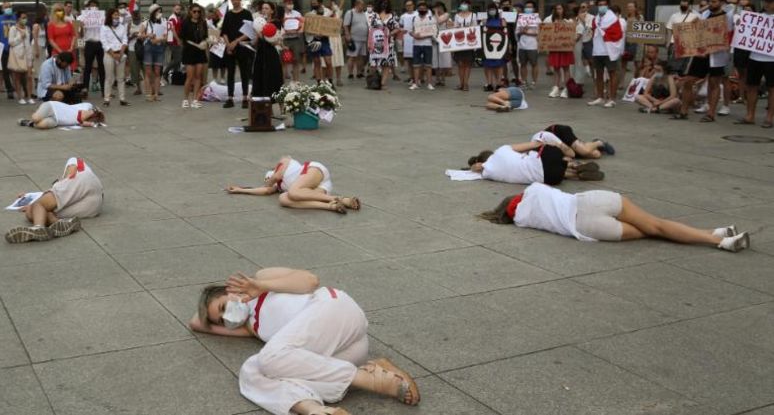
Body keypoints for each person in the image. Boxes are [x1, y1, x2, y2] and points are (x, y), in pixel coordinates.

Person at [190, 268, 420, 415]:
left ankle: (370, 380)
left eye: (223, 307)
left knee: (269, 359)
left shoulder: (261, 279)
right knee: (251, 370)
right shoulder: (251, 327)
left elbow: (310, 280)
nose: (226, 318)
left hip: (333, 309)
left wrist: (260, 286)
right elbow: (196, 323)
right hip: (347, 352)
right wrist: (216, 315)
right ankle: (315, 410)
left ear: (230, 290)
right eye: (221, 319)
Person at [479, 182, 751, 252]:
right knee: (656, 223)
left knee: (652, 230)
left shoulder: (523, 220)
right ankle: (715, 234)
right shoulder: (533, 191)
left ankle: (719, 238)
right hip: (590, 199)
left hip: (584, 226)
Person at [5, 157, 103, 243]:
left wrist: (35, 202)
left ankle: (38, 227)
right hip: (95, 205)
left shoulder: (73, 166)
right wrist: (32, 204)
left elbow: (75, 162)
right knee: (35, 212)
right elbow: (51, 198)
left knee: (37, 205)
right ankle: (59, 223)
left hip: (84, 179)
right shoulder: (67, 187)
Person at [226, 156, 360, 214]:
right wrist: (241, 190)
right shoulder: (278, 187)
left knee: (293, 192)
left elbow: (276, 177)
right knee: (283, 199)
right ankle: (331, 206)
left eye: (268, 176)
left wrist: (270, 179)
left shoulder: (284, 162)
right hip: (315, 189)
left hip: (313, 171)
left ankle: (342, 199)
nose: (269, 180)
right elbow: (266, 190)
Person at [466, 142, 604, 185]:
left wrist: (474, 166)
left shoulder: (488, 171)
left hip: (551, 179)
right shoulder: (501, 150)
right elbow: (532, 144)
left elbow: (474, 168)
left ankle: (574, 174)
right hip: (549, 158)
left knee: (539, 171)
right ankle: (574, 165)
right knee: (537, 155)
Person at [739, 0, 774, 127]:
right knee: (752, 86)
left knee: (772, 88)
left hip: (772, 59)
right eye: (765, 1)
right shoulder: (757, 18)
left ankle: (769, 117)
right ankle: (750, 115)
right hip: (755, 56)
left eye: (770, 2)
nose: (767, 4)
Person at [588, 0, 624, 108]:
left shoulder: (613, 18)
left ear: (607, 6)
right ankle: (600, 97)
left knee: (612, 73)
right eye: (600, 5)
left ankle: (612, 98)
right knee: (598, 74)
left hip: (609, 50)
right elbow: (594, 32)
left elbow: (618, 34)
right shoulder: (596, 18)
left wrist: (604, 33)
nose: (602, 6)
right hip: (598, 50)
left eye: (604, 5)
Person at [221, 0, 254, 108]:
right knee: (230, 73)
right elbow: (224, 32)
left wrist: (236, 41)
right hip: (230, 48)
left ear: (240, 0)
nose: (234, 1)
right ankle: (230, 98)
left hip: (243, 47)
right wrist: (228, 44)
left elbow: (249, 32)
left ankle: (245, 98)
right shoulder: (228, 14)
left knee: (244, 73)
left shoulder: (247, 13)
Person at [251, 2, 285, 109]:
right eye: (263, 8)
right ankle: (262, 108)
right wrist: (255, 34)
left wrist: (261, 33)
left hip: (271, 55)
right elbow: (255, 42)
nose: (264, 10)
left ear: (272, 11)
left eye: (267, 8)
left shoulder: (276, 23)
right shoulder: (259, 23)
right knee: (259, 78)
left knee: (273, 79)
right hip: (260, 54)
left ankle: (279, 107)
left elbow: (274, 41)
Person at [179, 3, 209, 108]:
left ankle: (195, 99)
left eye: (199, 11)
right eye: (194, 11)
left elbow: (205, 36)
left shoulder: (203, 23)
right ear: (190, 12)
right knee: (190, 76)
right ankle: (185, 99)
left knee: (198, 77)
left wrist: (205, 42)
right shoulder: (185, 23)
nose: (197, 13)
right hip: (189, 51)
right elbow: (182, 37)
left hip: (200, 52)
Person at [97, 8, 129, 107]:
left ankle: (122, 99)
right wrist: (113, 54)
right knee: (109, 78)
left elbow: (125, 40)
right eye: (115, 15)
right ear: (110, 15)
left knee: (121, 78)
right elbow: (104, 42)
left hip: (120, 54)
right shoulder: (104, 27)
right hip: (109, 54)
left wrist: (120, 53)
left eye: (118, 15)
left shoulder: (122, 27)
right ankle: (107, 99)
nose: (117, 17)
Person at [530, 124, 615, 159]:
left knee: (584, 151)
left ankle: (599, 142)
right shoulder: (538, 153)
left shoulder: (542, 140)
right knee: (596, 154)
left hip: (559, 132)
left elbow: (571, 154)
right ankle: (589, 144)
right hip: (560, 146)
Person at [367, 0, 399, 90]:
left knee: (386, 64)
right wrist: (368, 42)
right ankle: (373, 81)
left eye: (386, 3)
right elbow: (370, 30)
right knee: (373, 64)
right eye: (382, 3)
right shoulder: (374, 15)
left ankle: (383, 83)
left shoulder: (393, 15)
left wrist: (390, 33)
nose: (384, 5)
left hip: (388, 43)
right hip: (375, 43)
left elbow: (397, 28)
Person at [544, 3, 575, 98]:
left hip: (565, 48)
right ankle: (556, 87)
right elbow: (545, 32)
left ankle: (566, 88)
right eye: (557, 9)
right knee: (556, 68)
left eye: (560, 8)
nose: (558, 10)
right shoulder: (551, 20)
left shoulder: (569, 21)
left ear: (564, 9)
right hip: (555, 48)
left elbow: (572, 33)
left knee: (566, 68)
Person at [78, 0, 106, 96]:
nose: (93, 7)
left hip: (100, 43)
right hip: (88, 43)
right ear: (88, 7)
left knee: (102, 67)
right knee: (87, 67)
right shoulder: (82, 17)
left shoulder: (102, 17)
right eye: (91, 6)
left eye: (95, 6)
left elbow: (105, 30)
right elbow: (79, 34)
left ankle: (104, 90)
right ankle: (85, 89)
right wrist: (81, 27)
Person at [141, 4, 168, 102]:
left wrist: (159, 39)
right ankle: (149, 93)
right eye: (157, 11)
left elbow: (166, 37)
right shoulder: (146, 23)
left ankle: (156, 94)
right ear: (152, 13)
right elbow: (140, 35)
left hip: (159, 47)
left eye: (160, 11)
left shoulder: (164, 22)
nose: (159, 13)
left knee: (157, 72)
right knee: (148, 72)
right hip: (148, 47)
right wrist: (148, 35)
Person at [8, 11, 35, 104]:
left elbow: (28, 42)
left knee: (29, 76)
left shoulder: (27, 28)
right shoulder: (13, 29)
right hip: (18, 56)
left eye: (25, 17)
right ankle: (20, 97)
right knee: (17, 77)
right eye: (23, 17)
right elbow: (11, 42)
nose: (25, 19)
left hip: (27, 54)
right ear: (18, 18)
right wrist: (20, 37)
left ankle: (29, 96)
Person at [409, 0, 436, 90]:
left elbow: (434, 32)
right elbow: (410, 31)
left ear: (427, 9)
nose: (422, 10)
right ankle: (416, 83)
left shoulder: (431, 19)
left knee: (428, 65)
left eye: (424, 9)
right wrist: (414, 35)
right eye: (420, 9)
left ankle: (429, 83)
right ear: (417, 9)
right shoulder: (414, 18)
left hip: (427, 44)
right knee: (416, 65)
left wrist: (424, 36)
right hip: (416, 44)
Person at [0, 2, 18, 99]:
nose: (8, 8)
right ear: (2, 9)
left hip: (15, 47)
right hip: (4, 48)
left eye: (9, 7)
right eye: (6, 7)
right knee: (5, 70)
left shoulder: (16, 18)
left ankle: (18, 87)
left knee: (16, 69)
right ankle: (9, 90)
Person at [19, 100, 104, 129]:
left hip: (56, 120)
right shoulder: (86, 107)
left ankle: (28, 123)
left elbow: (82, 122)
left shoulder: (82, 121)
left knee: (42, 125)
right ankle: (38, 112)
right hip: (53, 107)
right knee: (36, 118)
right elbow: (81, 117)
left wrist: (93, 123)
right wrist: (95, 112)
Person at [452, 1, 478, 91]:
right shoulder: (457, 15)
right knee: (460, 63)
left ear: (469, 5)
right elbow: (454, 28)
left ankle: (466, 83)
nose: (464, 6)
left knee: (467, 63)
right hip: (459, 41)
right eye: (462, 4)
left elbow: (475, 27)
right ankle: (461, 83)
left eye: (465, 4)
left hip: (469, 41)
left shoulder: (473, 15)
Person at [481, 2, 506, 91]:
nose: (492, 11)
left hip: (499, 46)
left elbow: (506, 33)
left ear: (497, 10)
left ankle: (499, 83)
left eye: (493, 9)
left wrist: (504, 24)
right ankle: (489, 83)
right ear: (487, 11)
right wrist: (483, 24)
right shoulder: (485, 20)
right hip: (488, 46)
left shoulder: (501, 20)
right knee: (488, 65)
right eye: (490, 9)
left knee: (499, 65)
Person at [516, 0, 540, 89]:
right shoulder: (520, 18)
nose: (528, 9)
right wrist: (522, 31)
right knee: (523, 64)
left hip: (533, 45)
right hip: (522, 45)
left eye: (530, 7)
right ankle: (524, 82)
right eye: (527, 7)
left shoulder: (537, 19)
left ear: (533, 9)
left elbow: (540, 33)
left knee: (534, 63)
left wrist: (527, 33)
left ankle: (534, 82)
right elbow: (517, 32)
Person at [343, 0, 368, 81]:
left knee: (361, 57)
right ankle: (350, 73)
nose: (363, 6)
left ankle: (359, 73)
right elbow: (345, 25)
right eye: (362, 5)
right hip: (353, 38)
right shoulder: (350, 13)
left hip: (363, 38)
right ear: (357, 5)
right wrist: (347, 35)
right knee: (352, 56)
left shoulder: (365, 14)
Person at [281, 0, 306, 83]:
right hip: (285, 40)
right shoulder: (281, 14)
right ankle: (282, 84)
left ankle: (296, 82)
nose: (290, 4)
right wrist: (286, 31)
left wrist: (297, 31)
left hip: (296, 39)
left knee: (296, 61)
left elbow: (303, 25)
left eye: (291, 2)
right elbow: (279, 26)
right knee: (284, 61)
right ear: (284, 3)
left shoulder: (297, 14)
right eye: (288, 2)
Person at [46, 4, 77, 70]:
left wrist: (71, 48)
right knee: (57, 71)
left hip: (69, 51)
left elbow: (74, 35)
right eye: (58, 11)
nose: (60, 12)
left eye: (61, 10)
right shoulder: (51, 25)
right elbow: (51, 40)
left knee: (70, 71)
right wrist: (60, 51)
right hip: (57, 52)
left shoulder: (68, 23)